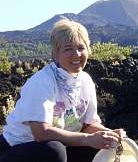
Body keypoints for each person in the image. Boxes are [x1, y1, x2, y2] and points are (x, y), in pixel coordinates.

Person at [0, 18, 126, 162]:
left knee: (101, 147)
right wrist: (88, 139)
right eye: (68, 49)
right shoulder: (42, 81)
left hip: (58, 145)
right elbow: (42, 133)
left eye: (81, 48)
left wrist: (110, 135)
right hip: (14, 150)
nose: (76, 54)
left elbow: (88, 125)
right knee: (54, 151)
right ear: (56, 54)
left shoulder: (85, 81)